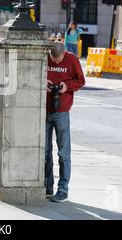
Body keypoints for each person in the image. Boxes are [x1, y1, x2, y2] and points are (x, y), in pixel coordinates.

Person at [45, 41, 86, 203]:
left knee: (63, 153)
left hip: (62, 112)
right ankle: (47, 186)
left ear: (63, 54)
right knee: (45, 152)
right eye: (52, 60)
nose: (55, 62)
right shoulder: (43, 57)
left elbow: (81, 81)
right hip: (44, 109)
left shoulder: (71, 59)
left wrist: (66, 86)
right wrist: (43, 83)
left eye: (58, 60)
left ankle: (63, 190)